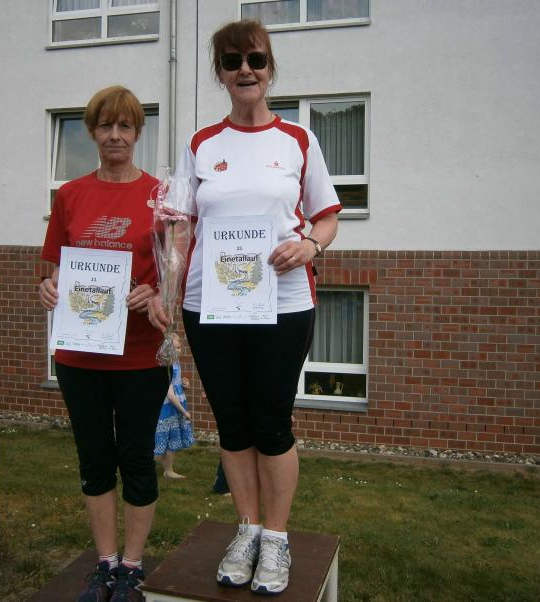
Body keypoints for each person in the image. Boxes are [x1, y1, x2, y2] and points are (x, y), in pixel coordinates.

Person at [148, 19, 340, 595]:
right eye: (232, 62)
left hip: (284, 302)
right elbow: (179, 226)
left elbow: (327, 217)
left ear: (269, 67)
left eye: (255, 59)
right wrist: (166, 290)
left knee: (271, 422)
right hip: (211, 304)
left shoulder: (299, 140)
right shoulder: (201, 144)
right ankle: (248, 529)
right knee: (232, 422)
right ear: (221, 73)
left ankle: (276, 538)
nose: (245, 70)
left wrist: (310, 246)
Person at [39, 85, 167, 602]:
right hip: (80, 355)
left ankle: (132, 567)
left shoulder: (160, 197)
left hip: (140, 355)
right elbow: (52, 268)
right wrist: (47, 287)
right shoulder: (70, 195)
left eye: (125, 126)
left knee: (136, 458)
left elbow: (177, 275)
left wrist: (155, 291)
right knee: (93, 458)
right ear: (92, 132)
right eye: (105, 126)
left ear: (138, 133)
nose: (115, 135)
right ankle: (105, 564)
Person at [154, 333, 194, 479]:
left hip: (176, 406)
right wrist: (185, 412)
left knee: (173, 437)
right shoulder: (166, 367)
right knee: (161, 439)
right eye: (175, 348)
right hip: (168, 408)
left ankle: (168, 470)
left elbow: (177, 389)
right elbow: (170, 395)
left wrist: (185, 386)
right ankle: (145, 465)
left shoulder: (177, 364)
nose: (178, 350)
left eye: (179, 347)